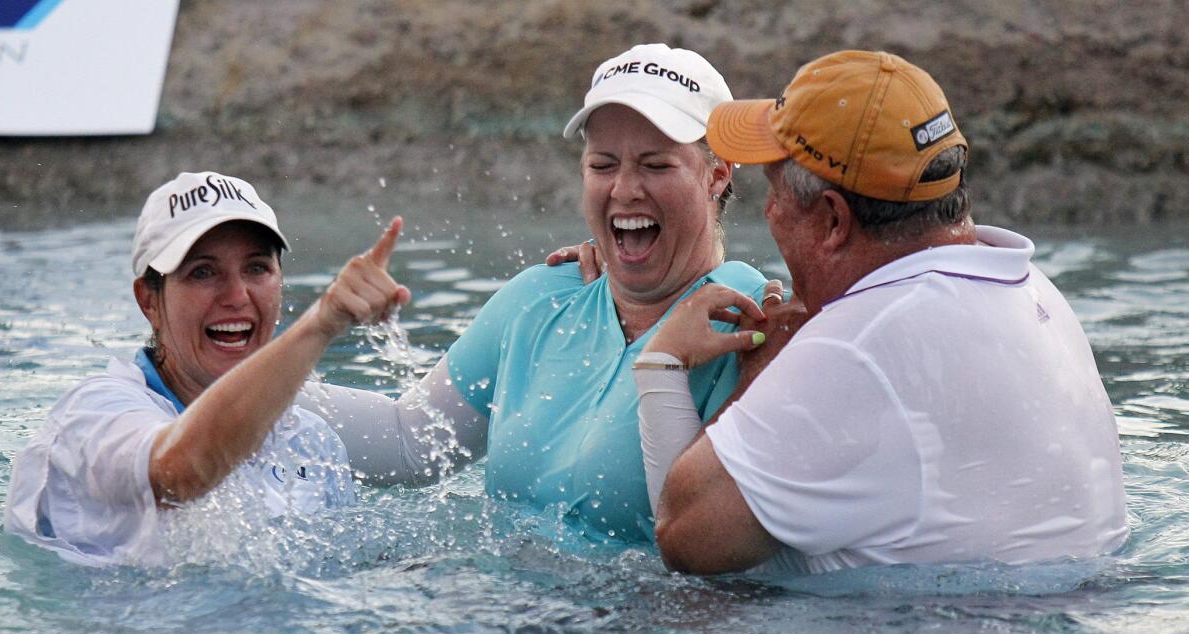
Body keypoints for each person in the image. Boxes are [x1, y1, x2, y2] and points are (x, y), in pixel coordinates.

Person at [631, 50, 1129, 574]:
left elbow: (685, 541)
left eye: (775, 192)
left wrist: (679, 364)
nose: (769, 211)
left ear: (833, 220)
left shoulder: (856, 350)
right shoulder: (1033, 289)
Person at [296, 43, 768, 543]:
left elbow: (722, 548)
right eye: (603, 165)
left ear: (716, 174)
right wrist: (223, 385)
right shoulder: (543, 298)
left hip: (644, 619)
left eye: (656, 165)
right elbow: (412, 441)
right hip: (492, 611)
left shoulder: (757, 326)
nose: (625, 189)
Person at [4, 171, 411, 566]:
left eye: (256, 268)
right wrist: (321, 323)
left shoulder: (310, 441)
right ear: (149, 301)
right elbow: (181, 472)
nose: (237, 296)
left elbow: (341, 569)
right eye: (203, 272)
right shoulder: (92, 418)